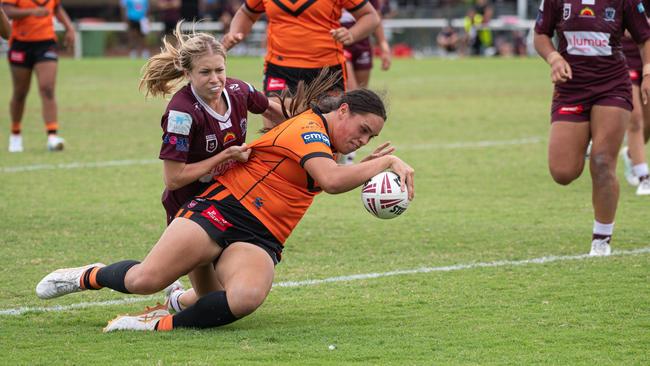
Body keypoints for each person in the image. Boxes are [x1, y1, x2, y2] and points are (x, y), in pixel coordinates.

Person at [35, 85, 415, 332]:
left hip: (261, 236)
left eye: (371, 138)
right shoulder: (308, 129)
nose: (362, 140)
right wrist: (383, 165)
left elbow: (328, 174)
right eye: (362, 129)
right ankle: (88, 276)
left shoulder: (327, 145)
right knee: (142, 280)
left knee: (244, 298)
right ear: (343, 111)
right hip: (222, 209)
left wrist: (368, 166)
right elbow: (330, 181)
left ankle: (161, 321)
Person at [534, 0, 650, 256]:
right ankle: (587, 139)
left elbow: (644, 36)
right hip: (570, 88)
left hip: (612, 86)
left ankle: (601, 239)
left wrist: (648, 73)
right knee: (562, 172)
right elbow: (541, 33)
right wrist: (553, 57)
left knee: (601, 161)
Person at [140, 21, 284, 225]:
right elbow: (173, 179)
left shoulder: (239, 90)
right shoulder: (181, 114)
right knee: (181, 259)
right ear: (187, 74)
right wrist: (226, 155)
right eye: (205, 72)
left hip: (230, 200)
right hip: (188, 209)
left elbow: (272, 109)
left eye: (220, 70)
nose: (215, 79)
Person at [220, 0, 380, 129]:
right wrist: (236, 32)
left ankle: (339, 163)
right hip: (279, 68)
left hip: (326, 70)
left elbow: (370, 16)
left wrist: (352, 34)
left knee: (327, 134)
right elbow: (246, 13)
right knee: (275, 131)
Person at [3, 0, 74, 152]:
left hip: (46, 43)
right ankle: (15, 134)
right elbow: (6, 11)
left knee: (47, 88)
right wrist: (31, 12)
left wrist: (69, 27)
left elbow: (57, 8)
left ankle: (52, 136)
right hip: (20, 44)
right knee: (20, 93)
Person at [338, 0, 391, 165]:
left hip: (362, 42)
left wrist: (383, 46)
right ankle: (344, 148)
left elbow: (376, 17)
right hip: (340, 40)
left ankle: (352, 142)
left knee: (361, 96)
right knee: (351, 92)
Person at [620, 25, 650, 195]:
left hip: (647, 58)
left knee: (647, 123)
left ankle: (631, 155)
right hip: (623, 59)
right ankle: (644, 178)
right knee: (635, 118)